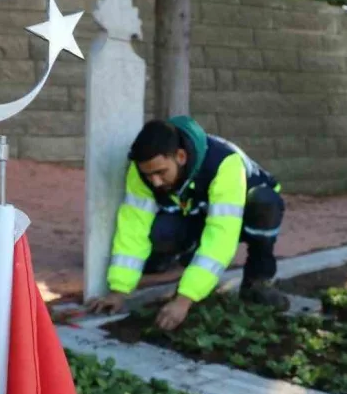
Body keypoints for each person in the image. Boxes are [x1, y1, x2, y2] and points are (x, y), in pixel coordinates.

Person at [87, 116, 289, 330]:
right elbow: (133, 227)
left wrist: (185, 298)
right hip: (197, 211)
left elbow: (221, 237)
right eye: (148, 175)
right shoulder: (141, 171)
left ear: (181, 156)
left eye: (160, 172)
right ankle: (182, 257)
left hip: (246, 212)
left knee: (265, 204)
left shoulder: (224, 164)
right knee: (160, 233)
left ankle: (257, 281)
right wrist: (119, 290)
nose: (154, 181)